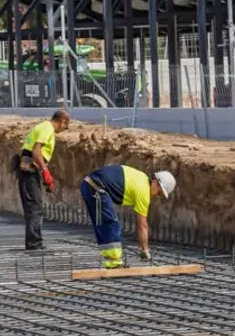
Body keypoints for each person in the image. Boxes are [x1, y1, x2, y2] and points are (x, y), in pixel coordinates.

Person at [80, 166, 176, 269]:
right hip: (96, 188)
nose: (158, 195)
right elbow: (142, 225)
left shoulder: (141, 177)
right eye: (160, 192)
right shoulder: (143, 192)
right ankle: (114, 263)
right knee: (111, 224)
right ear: (156, 182)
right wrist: (144, 250)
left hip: (88, 185)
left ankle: (110, 262)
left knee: (102, 225)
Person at [16, 110, 70, 251]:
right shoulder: (47, 128)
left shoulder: (42, 127)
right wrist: (45, 171)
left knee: (33, 207)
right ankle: (34, 244)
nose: (64, 129)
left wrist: (43, 172)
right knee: (35, 208)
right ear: (62, 121)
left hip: (29, 167)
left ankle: (34, 242)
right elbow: (36, 151)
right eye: (66, 126)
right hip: (29, 168)